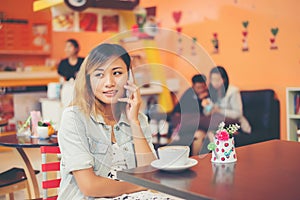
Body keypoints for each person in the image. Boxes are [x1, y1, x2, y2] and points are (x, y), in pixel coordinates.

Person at [57, 43, 182, 199]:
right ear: (88, 80)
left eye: (117, 73)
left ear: (129, 77)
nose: (109, 82)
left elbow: (150, 173)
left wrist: (134, 122)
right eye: (99, 75)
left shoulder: (137, 117)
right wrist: (140, 185)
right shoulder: (74, 118)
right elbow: (90, 187)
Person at [200, 66, 251, 141]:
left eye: (218, 79)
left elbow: (238, 113)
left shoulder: (233, 91)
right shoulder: (212, 92)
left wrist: (219, 111)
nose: (215, 83)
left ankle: (217, 152)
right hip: (218, 124)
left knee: (212, 133)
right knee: (200, 134)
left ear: (224, 79)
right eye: (213, 80)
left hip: (236, 125)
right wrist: (206, 106)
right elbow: (207, 113)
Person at [170, 74, 210, 155]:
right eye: (198, 88)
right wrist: (199, 99)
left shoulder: (208, 95)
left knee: (199, 136)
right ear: (193, 86)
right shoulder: (188, 94)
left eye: (203, 87)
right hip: (186, 124)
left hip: (200, 126)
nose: (201, 90)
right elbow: (183, 112)